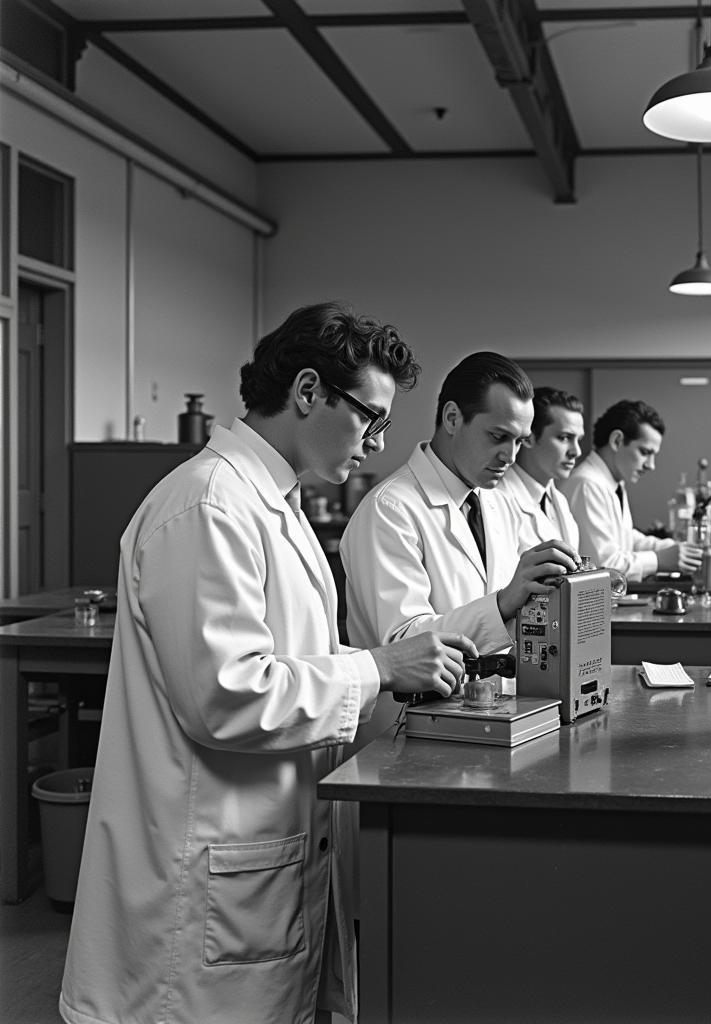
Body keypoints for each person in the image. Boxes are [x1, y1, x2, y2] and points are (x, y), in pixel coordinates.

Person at [59, 303, 476, 1024]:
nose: (376, 444)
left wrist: (392, 664)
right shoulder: (208, 505)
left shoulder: (271, 502)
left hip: (259, 859)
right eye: (370, 419)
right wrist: (377, 667)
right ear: (309, 391)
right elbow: (228, 697)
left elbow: (291, 657)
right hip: (201, 889)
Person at [340, 352, 580, 660]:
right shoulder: (389, 510)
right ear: (452, 418)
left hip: (492, 701)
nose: (510, 456)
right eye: (498, 436)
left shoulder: (497, 502)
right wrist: (504, 602)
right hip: (417, 707)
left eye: (519, 441)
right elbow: (402, 643)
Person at [560, 399, 701, 582]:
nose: (651, 465)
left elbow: (625, 539)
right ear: (617, 441)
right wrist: (659, 560)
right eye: (644, 452)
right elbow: (604, 566)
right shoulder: (587, 485)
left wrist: (673, 548)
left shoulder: (613, 482)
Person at [498, 385, 583, 550]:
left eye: (578, 439)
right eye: (564, 438)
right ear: (528, 438)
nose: (576, 451)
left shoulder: (560, 501)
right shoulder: (498, 499)